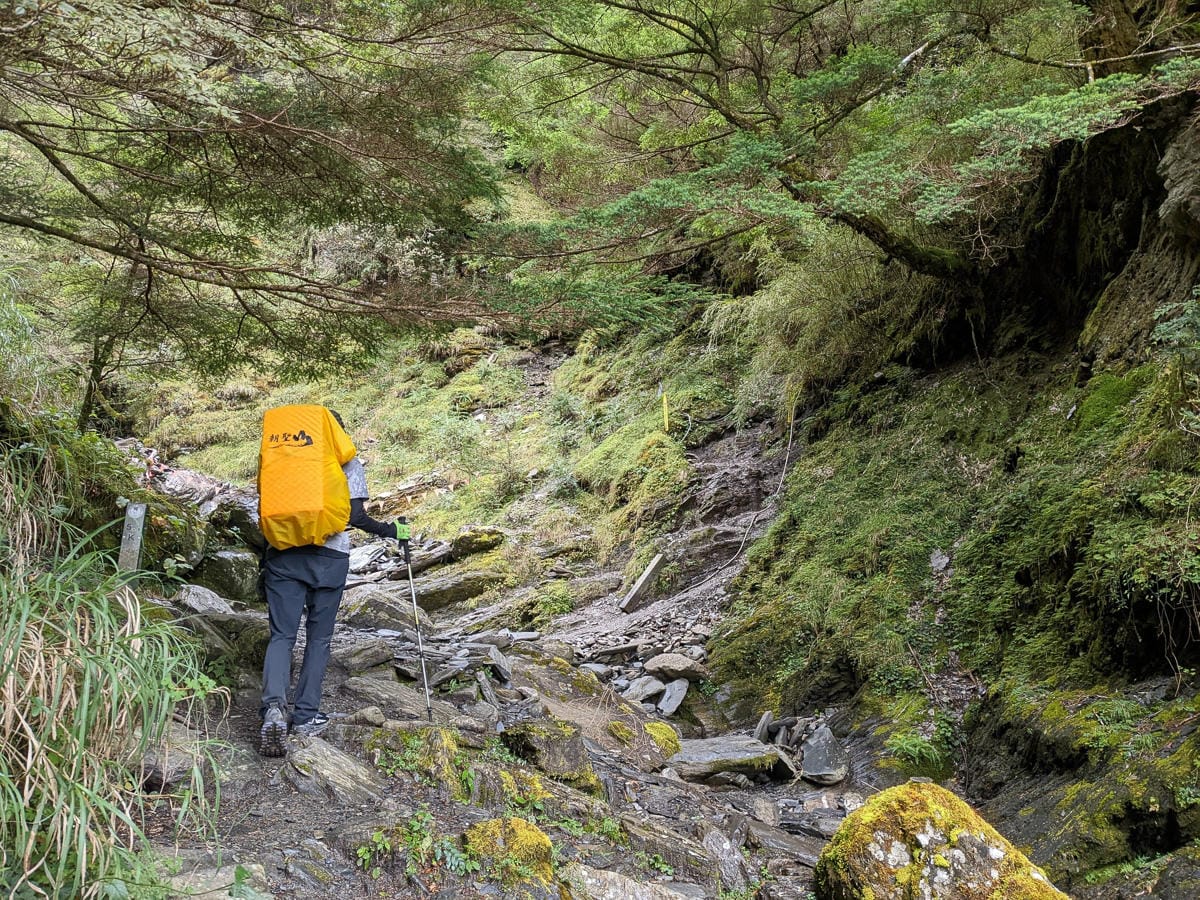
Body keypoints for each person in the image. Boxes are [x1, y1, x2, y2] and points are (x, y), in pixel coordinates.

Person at [258, 409, 408, 756]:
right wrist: (391, 531)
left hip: (283, 555)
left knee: (282, 636)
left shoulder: (277, 455)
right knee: (319, 638)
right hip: (329, 558)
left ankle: (274, 709)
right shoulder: (347, 461)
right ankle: (305, 716)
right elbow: (356, 516)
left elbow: (265, 506)